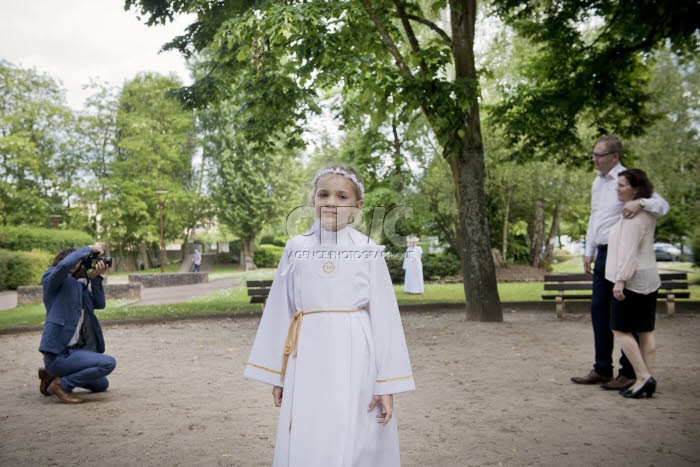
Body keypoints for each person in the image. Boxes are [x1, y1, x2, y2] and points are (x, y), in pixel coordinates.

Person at [243, 164, 415, 466]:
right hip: (305, 357)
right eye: (324, 194)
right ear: (313, 200)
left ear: (358, 207)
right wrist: (278, 374)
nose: (331, 202)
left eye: (342, 196)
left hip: (356, 356)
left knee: (354, 427)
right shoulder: (296, 248)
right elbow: (279, 311)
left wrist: (386, 384)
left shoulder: (369, 250)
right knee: (310, 427)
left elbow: (385, 318)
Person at [571, 136, 669, 391]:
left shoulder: (627, 181)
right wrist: (588, 250)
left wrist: (641, 202)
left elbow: (662, 205)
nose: (593, 158)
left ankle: (628, 373)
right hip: (601, 255)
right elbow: (595, 217)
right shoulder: (597, 182)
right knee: (599, 313)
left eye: (598, 155)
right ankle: (602, 368)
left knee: (623, 318)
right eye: (593, 154)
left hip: (620, 258)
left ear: (614, 157)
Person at [38, 245, 117, 404]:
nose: (88, 265)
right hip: (58, 354)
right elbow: (63, 267)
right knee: (108, 363)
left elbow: (99, 304)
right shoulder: (51, 278)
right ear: (73, 263)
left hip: (74, 352)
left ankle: (51, 374)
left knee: (102, 384)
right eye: (85, 262)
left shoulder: (79, 286)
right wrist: (88, 249)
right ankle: (61, 384)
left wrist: (95, 278)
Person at [606, 169, 660, 398]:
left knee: (619, 329)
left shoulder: (631, 215)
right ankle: (645, 380)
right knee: (645, 331)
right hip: (649, 277)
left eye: (621, 185)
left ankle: (642, 377)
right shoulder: (647, 211)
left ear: (635, 189)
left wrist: (620, 281)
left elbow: (628, 253)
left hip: (631, 280)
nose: (617, 188)